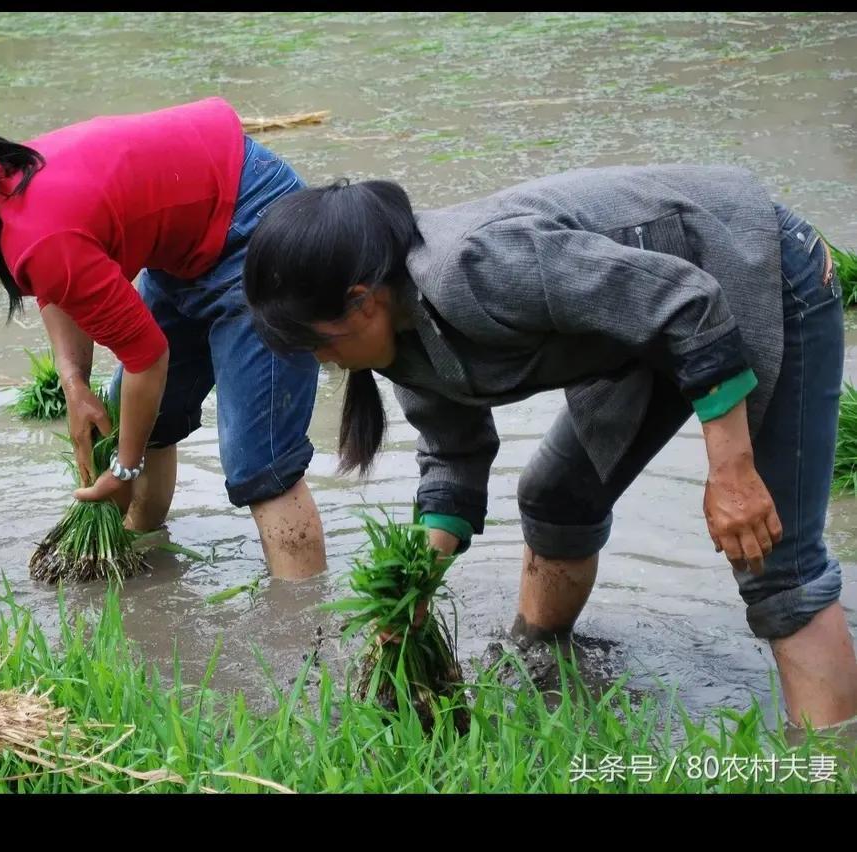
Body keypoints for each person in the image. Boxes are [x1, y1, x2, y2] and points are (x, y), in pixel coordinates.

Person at [242, 164, 857, 727]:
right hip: (639, 331)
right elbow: (454, 457)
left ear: (363, 298)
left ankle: (830, 760)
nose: (323, 361)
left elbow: (687, 303)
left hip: (755, 272)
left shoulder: (476, 266)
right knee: (557, 498)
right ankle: (540, 665)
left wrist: (732, 471)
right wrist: (414, 594)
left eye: (319, 343)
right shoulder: (401, 344)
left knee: (777, 561)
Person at [0, 97, 326, 580]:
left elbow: (146, 356)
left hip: (256, 222)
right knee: (139, 414)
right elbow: (56, 283)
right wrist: (74, 381)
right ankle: (140, 555)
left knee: (259, 460)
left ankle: (302, 631)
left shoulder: (37, 231)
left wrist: (126, 467)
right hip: (191, 230)